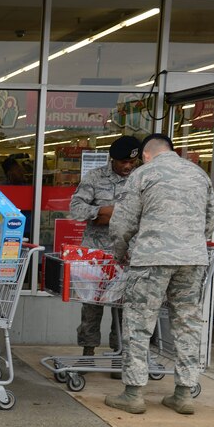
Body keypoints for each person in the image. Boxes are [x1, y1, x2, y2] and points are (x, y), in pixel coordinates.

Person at [106, 134, 214, 415]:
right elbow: (210, 220)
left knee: (139, 323)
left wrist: (120, 253)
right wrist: (191, 245)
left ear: (145, 155)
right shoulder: (198, 174)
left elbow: (122, 223)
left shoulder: (144, 175)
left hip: (152, 259)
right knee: (187, 323)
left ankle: (133, 393)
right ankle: (183, 393)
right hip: (192, 260)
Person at [69, 135, 140, 372]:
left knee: (123, 309)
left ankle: (118, 354)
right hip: (96, 255)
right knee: (91, 306)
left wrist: (115, 217)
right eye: (122, 162)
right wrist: (102, 211)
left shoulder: (141, 179)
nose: (127, 166)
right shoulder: (95, 177)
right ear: (112, 159)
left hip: (128, 254)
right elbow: (76, 208)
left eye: (132, 161)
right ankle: (88, 353)